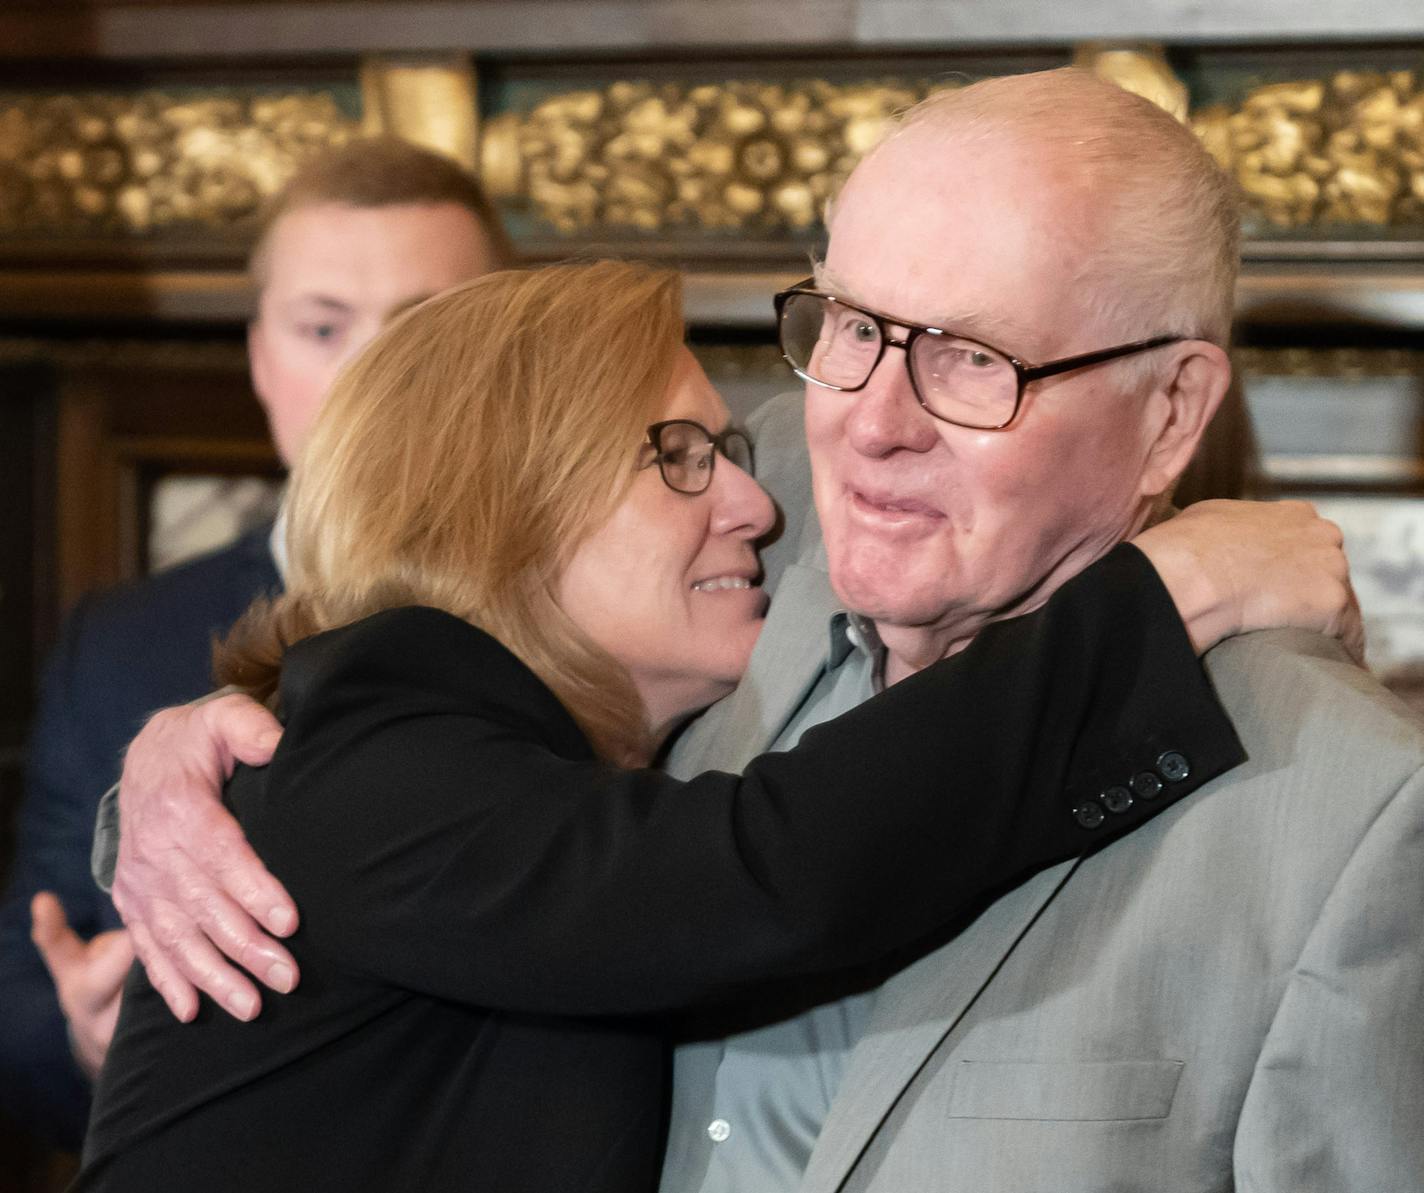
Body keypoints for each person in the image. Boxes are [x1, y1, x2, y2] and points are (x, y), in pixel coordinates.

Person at [102, 71, 1396, 1191]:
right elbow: (762, 869)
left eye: (970, 357)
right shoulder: (693, 569)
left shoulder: (1350, 812)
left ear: (1172, 414)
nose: (846, 438)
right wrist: (177, 775)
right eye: (850, 327)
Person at [0, 135, 508, 1150]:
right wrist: (84, 1036)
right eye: (323, 327)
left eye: (421, 329)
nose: (370, 374)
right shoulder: (122, 643)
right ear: (259, 355)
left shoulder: (618, 609)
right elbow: (20, 1011)